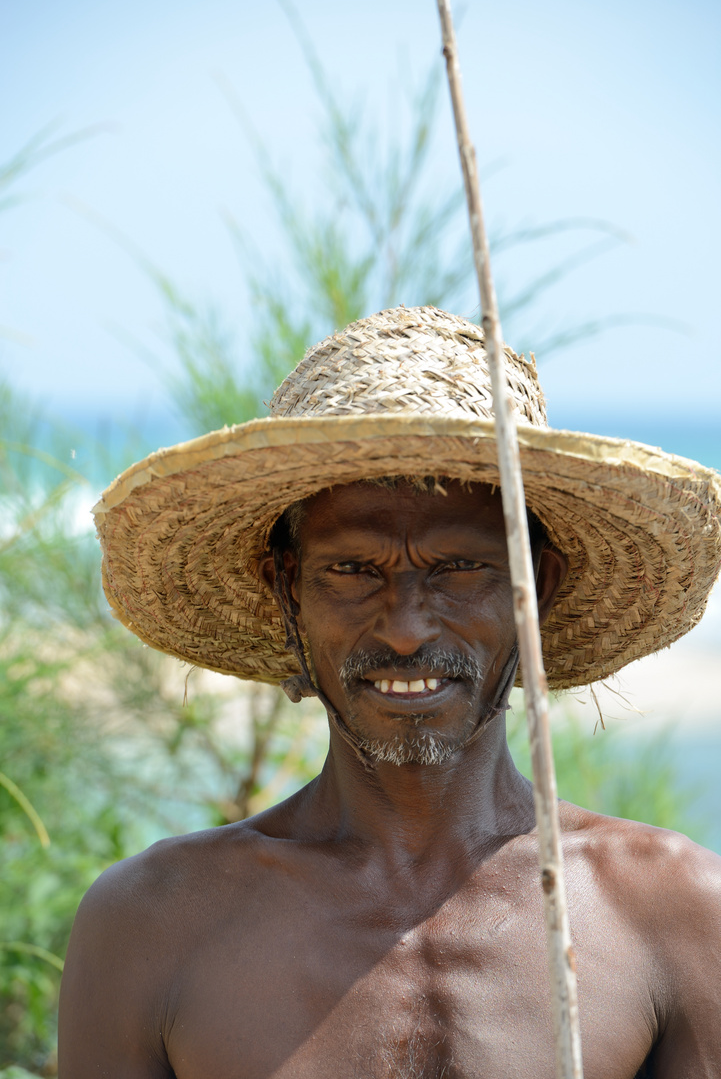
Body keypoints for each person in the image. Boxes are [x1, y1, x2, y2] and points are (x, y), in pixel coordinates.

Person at [59, 306, 721, 1078]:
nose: (405, 628)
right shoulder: (154, 924)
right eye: (352, 569)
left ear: (534, 587)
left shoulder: (668, 911)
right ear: (286, 592)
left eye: (459, 567)